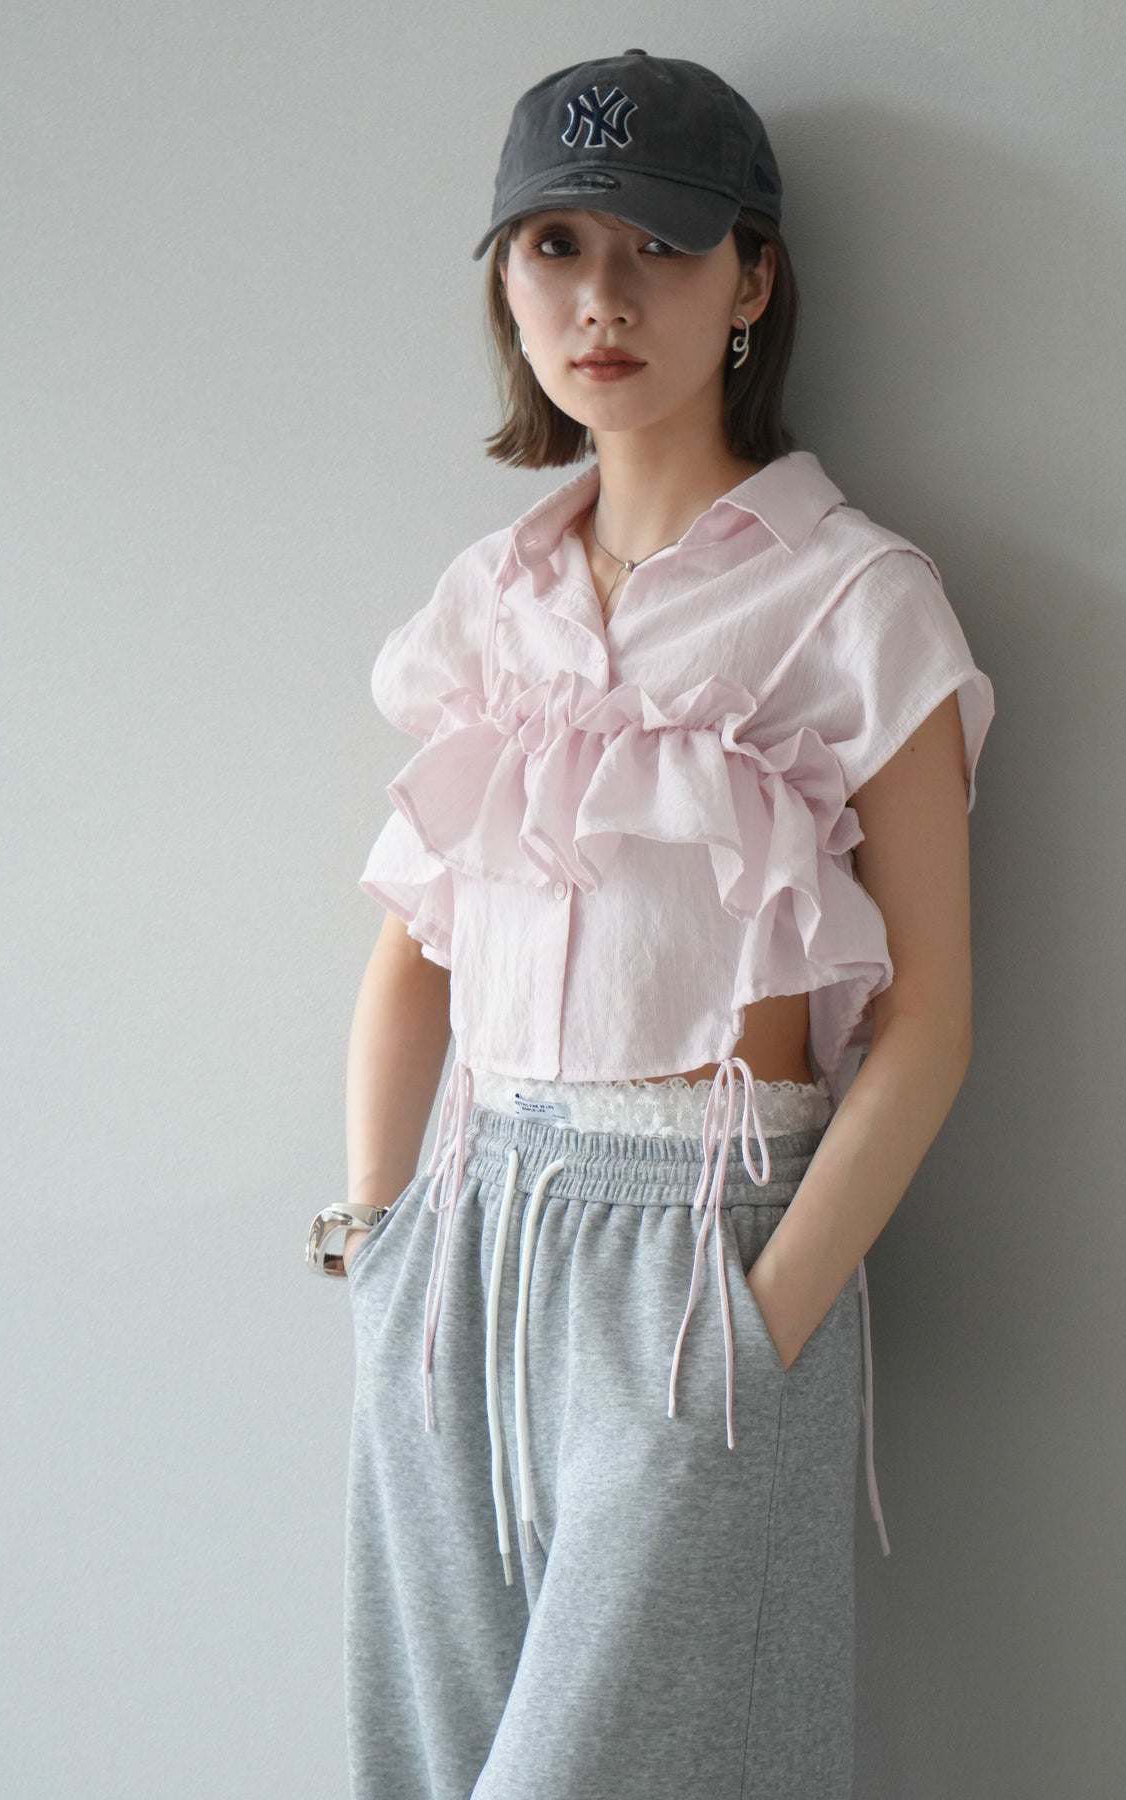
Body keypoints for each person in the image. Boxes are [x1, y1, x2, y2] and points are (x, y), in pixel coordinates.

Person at [306, 48, 995, 1800]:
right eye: (553, 245)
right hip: (460, 1243)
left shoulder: (854, 598)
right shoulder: (491, 599)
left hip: (701, 1255)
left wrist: (761, 1326)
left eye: (659, 248)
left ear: (750, 279)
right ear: (504, 280)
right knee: (434, 1763)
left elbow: (926, 1017)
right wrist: (378, 1244)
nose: (599, 299)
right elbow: (413, 944)